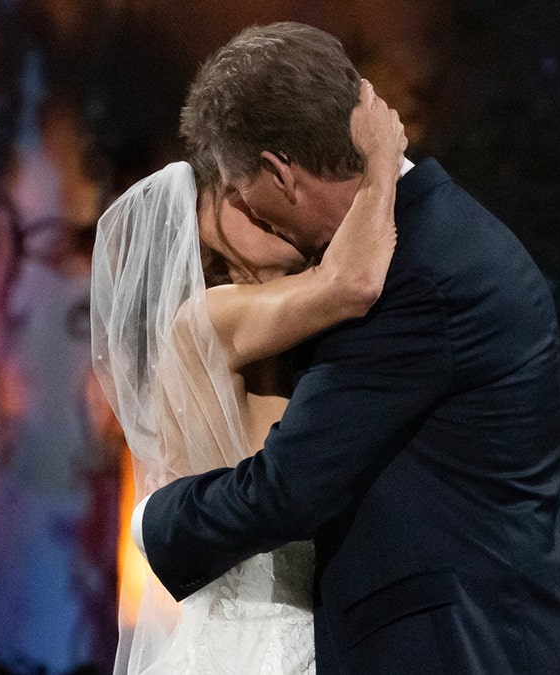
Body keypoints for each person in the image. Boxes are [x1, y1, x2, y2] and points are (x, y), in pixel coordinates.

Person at [135, 22, 560, 674]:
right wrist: (378, 160)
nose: (243, 207)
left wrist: (151, 521)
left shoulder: (415, 273)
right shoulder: (422, 238)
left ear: (280, 173)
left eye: (239, 188)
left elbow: (290, 487)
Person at [91, 82, 406, 672]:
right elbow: (349, 281)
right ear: (200, 224)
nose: (259, 208)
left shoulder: (281, 328)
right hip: (254, 645)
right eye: (234, 197)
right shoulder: (208, 318)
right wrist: (382, 164)